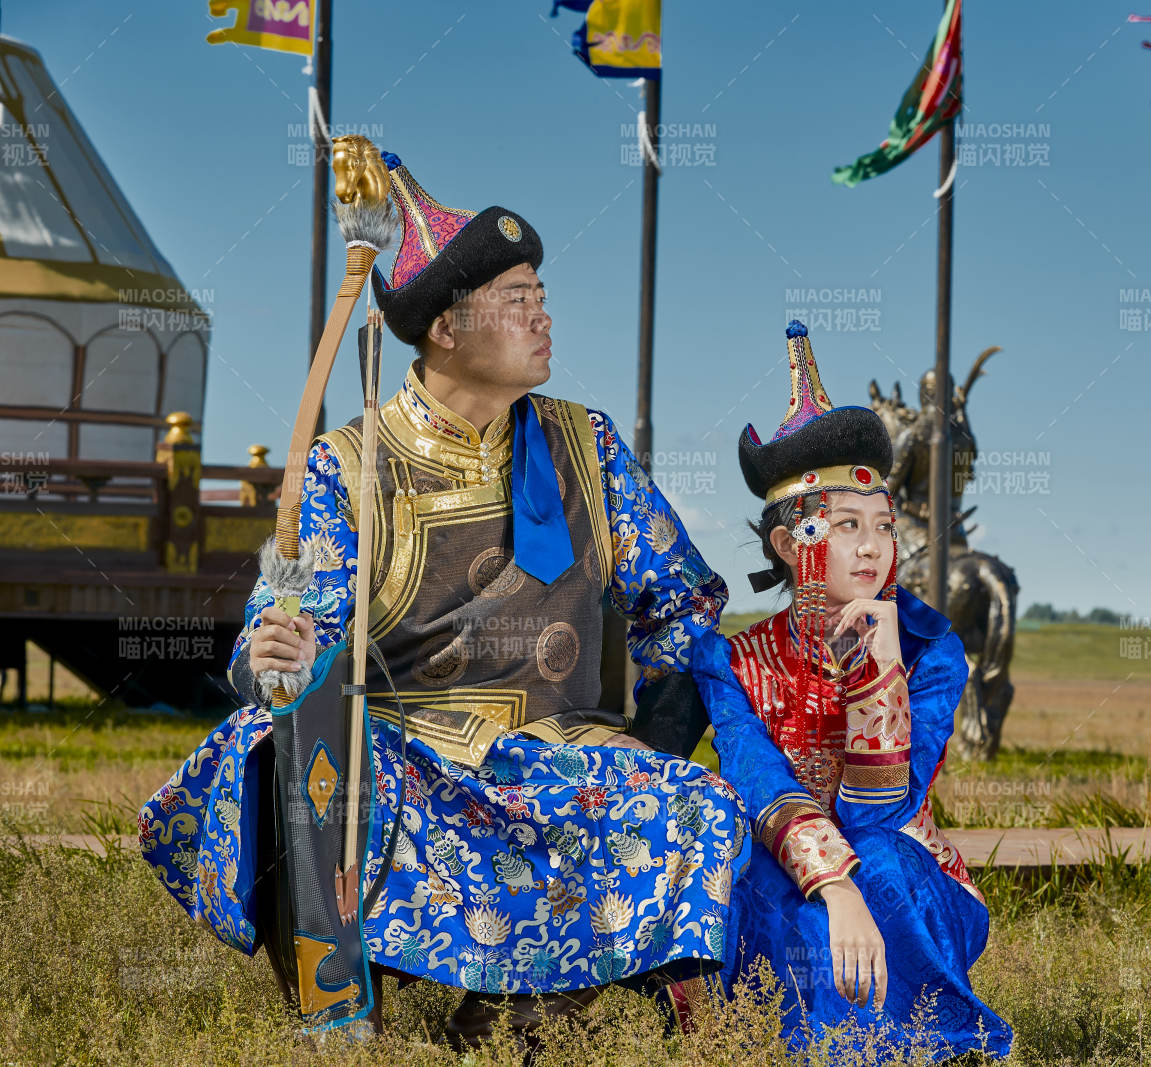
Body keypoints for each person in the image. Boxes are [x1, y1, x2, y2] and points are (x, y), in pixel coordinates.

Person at [138, 150, 748, 1050]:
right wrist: (280, 652)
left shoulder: (589, 445)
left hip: (557, 760)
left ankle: (507, 1026)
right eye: (516, 297)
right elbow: (298, 629)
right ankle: (340, 1016)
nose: (543, 313)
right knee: (279, 746)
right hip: (405, 762)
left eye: (542, 291)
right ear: (446, 330)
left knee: (694, 800)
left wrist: (642, 740)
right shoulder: (346, 464)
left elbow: (683, 613)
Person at [675, 321, 1011, 1060]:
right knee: (776, 895)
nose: (872, 547)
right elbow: (758, 779)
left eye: (883, 526)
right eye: (846, 524)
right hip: (787, 859)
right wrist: (832, 883)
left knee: (885, 865)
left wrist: (874, 666)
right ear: (790, 545)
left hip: (901, 863)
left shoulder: (931, 651)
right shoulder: (733, 660)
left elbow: (884, 804)